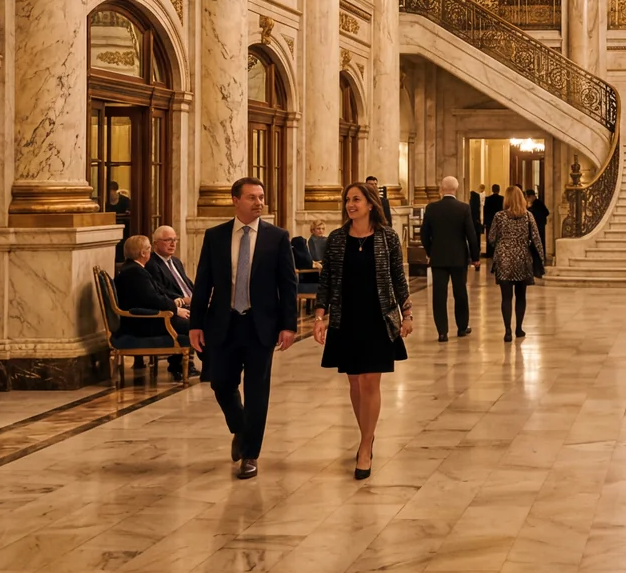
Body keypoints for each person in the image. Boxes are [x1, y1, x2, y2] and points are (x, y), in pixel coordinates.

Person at [188, 176, 298, 480]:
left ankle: (250, 455)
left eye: (261, 197)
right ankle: (240, 427)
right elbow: (203, 283)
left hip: (260, 325)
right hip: (223, 323)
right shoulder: (216, 236)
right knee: (220, 383)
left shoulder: (277, 237)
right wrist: (196, 323)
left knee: (257, 390)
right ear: (236, 200)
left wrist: (289, 325)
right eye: (252, 197)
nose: (259, 202)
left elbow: (288, 284)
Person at [313, 181, 412, 478]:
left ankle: (365, 445)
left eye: (356, 199)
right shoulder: (337, 239)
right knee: (355, 383)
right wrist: (319, 316)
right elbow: (327, 280)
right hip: (347, 319)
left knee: (371, 381)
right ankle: (366, 434)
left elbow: (398, 278)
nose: (350, 204)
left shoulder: (387, 238)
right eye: (347, 200)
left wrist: (407, 315)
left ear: (370, 204)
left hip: (377, 317)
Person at [420, 175, 479, 340]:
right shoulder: (463, 208)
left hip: (438, 257)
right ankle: (461, 327)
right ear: (456, 188)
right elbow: (471, 235)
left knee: (439, 295)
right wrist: (475, 257)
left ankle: (442, 331)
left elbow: (424, 234)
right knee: (460, 292)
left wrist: (430, 251)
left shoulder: (431, 208)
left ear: (441, 189)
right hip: (459, 257)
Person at [488, 185, 544, 340]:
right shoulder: (527, 216)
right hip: (522, 257)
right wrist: (541, 260)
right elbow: (536, 238)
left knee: (506, 297)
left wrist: (503, 243)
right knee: (521, 296)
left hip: (504, 258)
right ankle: (519, 328)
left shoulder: (499, 216)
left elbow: (491, 238)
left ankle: (507, 331)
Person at [147, 225, 196, 372]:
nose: (173, 244)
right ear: (155, 243)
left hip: (190, 303)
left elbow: (187, 284)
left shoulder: (175, 261)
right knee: (202, 321)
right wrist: (184, 300)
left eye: (175, 240)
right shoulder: (152, 264)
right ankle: (195, 365)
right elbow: (162, 292)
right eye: (168, 240)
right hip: (174, 308)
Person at [527, 188, 550, 270]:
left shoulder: (538, 203)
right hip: (539, 225)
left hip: (539, 225)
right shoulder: (535, 204)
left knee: (539, 240)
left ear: (532, 196)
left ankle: (540, 256)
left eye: (528, 197)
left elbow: (546, 212)